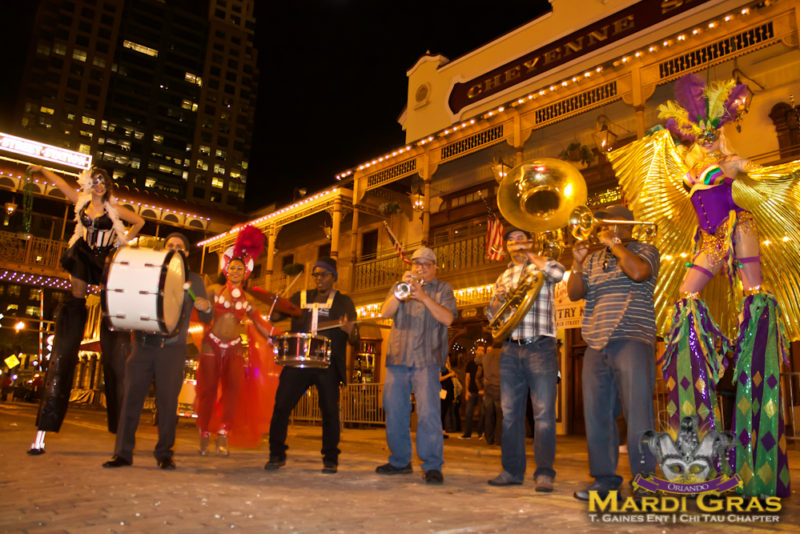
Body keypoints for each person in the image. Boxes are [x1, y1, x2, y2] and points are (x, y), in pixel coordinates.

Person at [607, 73, 797, 498]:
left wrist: (756, 168)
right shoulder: (691, 169)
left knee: (755, 299)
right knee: (685, 298)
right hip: (708, 241)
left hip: (736, 230)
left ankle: (752, 357)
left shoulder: (726, 163)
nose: (708, 141)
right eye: (703, 136)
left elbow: (755, 172)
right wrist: (662, 133)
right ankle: (703, 407)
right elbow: (667, 153)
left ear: (721, 137)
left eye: (714, 134)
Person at [26, 165, 144, 455]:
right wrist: (43, 170)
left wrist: (122, 240)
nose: (99, 185)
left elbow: (139, 221)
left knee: (112, 336)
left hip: (104, 260)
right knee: (76, 294)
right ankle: (75, 311)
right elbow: (63, 187)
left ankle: (121, 434)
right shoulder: (81, 202)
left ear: (109, 186)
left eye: (104, 182)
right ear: (90, 183)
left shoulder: (114, 209)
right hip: (82, 255)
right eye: (96, 181)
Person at [567, 204, 659, 501]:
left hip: (632, 338)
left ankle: (645, 480)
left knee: (638, 413)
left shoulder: (646, 250)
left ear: (626, 226)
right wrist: (578, 264)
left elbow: (638, 273)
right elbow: (575, 293)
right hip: (595, 341)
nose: (603, 229)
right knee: (598, 415)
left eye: (611, 224)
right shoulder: (595, 259)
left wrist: (615, 243)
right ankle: (605, 480)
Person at [102, 233, 212, 469]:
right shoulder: (150, 271)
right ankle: (122, 453)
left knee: (167, 404)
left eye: (179, 246)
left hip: (172, 349)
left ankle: (164, 453)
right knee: (131, 400)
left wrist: (205, 305)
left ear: (187, 252)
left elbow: (207, 315)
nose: (174, 249)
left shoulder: (194, 279)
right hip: (142, 345)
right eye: (170, 245)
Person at [486, 228, 565, 493]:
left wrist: (533, 254)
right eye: (511, 241)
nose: (515, 244)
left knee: (543, 415)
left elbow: (560, 273)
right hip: (510, 349)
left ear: (530, 241)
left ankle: (544, 473)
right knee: (510, 416)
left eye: (521, 239)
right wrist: (499, 302)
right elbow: (491, 316)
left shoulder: (542, 267)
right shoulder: (503, 275)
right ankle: (511, 470)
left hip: (540, 345)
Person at [264, 257, 357, 474]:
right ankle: (276, 454)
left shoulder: (344, 302)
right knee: (281, 407)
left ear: (333, 277)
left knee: (330, 412)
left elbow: (354, 338)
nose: (319, 279)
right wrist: (276, 305)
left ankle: (331, 458)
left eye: (323, 274)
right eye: (315, 275)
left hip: (327, 363)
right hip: (298, 362)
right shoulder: (300, 297)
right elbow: (277, 317)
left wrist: (349, 330)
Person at [376, 247, 457, 484]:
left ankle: (432, 465)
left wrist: (423, 296)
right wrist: (399, 294)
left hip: (427, 359)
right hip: (398, 357)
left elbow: (448, 318)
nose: (419, 267)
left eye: (425, 264)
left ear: (434, 267)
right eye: (416, 263)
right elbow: (384, 313)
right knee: (395, 412)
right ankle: (399, 461)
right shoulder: (400, 286)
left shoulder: (443, 289)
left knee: (429, 414)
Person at [195, 225, 272, 456]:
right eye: (232, 267)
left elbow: (258, 321)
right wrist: (201, 305)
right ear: (226, 269)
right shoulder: (214, 289)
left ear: (245, 272)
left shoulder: (247, 298)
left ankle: (224, 435)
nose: (236, 270)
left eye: (240, 268)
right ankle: (204, 432)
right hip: (212, 343)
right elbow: (201, 312)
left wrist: (274, 337)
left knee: (232, 391)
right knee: (208, 390)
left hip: (234, 347)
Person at [481, 340, 502, 446]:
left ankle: (489, 438)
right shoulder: (504, 356)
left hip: (488, 388)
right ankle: (499, 439)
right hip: (500, 388)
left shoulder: (486, 357)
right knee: (500, 415)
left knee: (489, 415)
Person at [459, 347, 483, 439]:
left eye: (482, 350)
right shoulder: (470, 363)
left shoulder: (485, 363)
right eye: (479, 350)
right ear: (476, 351)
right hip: (472, 391)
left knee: (482, 413)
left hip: (481, 392)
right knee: (468, 413)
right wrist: (467, 391)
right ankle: (467, 434)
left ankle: (480, 433)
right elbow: (467, 378)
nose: (480, 351)